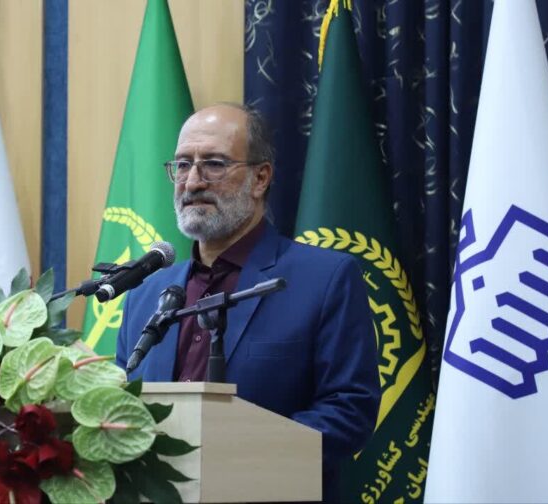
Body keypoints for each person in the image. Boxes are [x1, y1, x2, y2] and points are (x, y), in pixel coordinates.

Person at [115, 103, 381, 501]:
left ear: (260, 178)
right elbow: (120, 402)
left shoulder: (324, 279)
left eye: (214, 164)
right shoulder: (146, 293)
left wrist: (237, 458)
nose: (192, 182)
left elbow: (349, 410)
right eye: (183, 165)